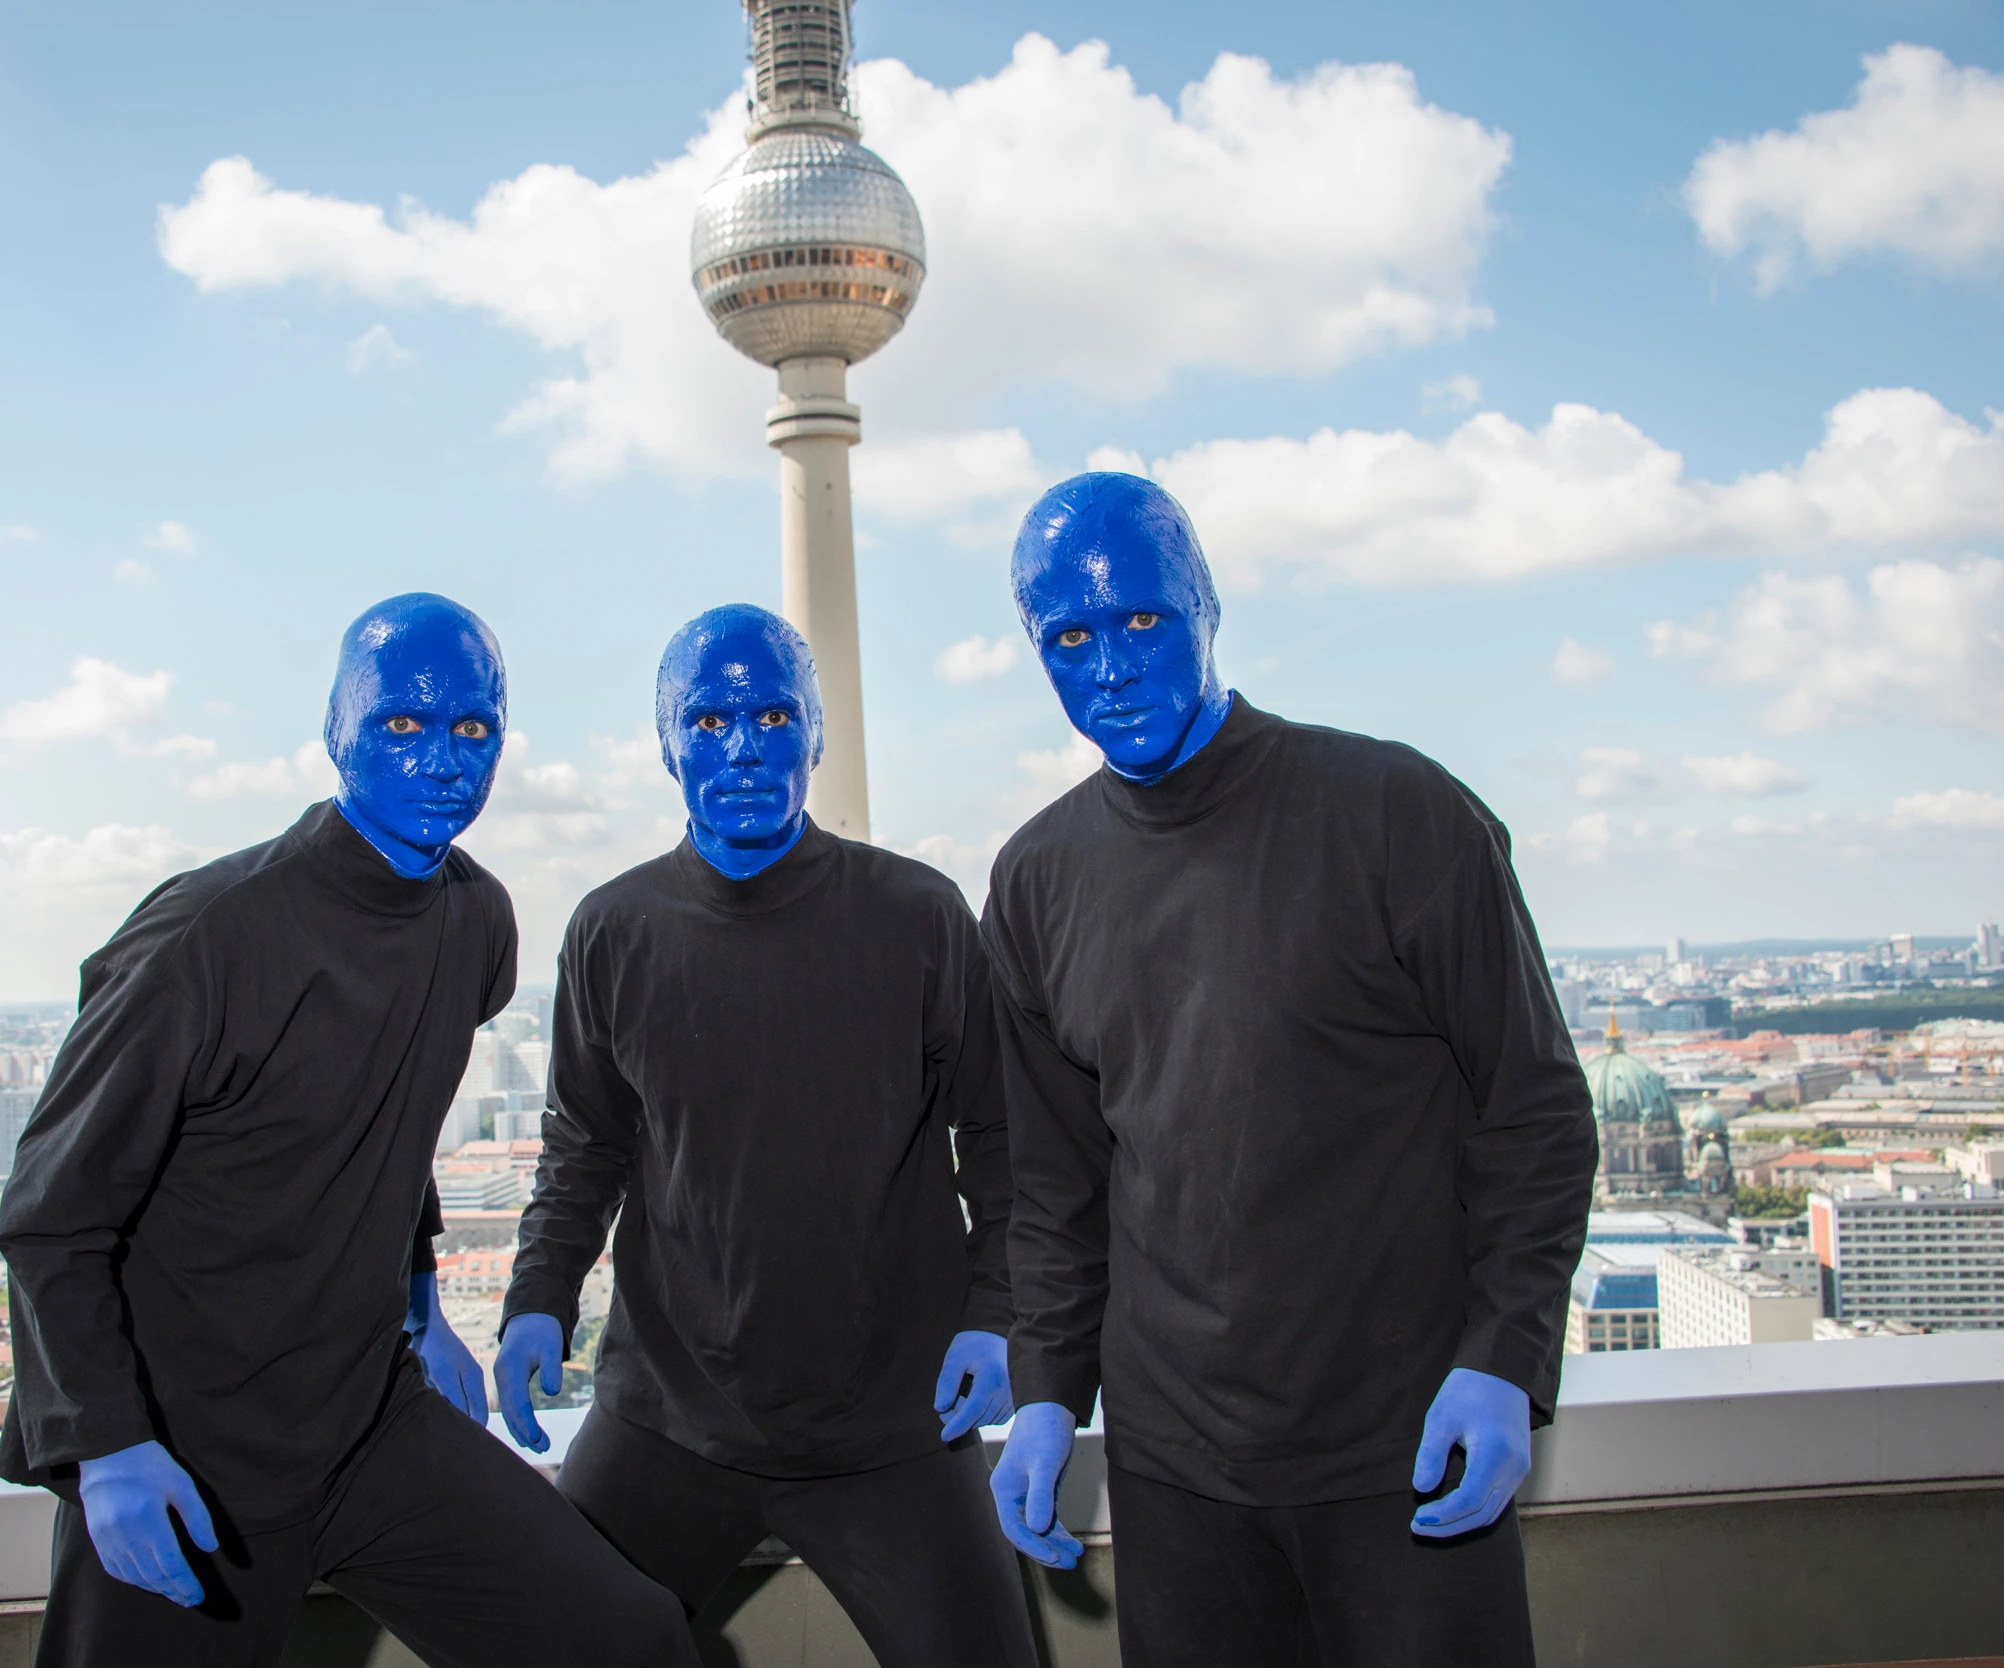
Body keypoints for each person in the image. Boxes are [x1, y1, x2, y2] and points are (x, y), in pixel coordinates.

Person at [0, 593, 696, 1668]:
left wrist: (420, 1303)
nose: (441, 759)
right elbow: (53, 1218)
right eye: (399, 727)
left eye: (471, 730)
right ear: (335, 730)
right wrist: (106, 1446)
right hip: (190, 1455)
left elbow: (383, 1121)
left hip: (368, 1426)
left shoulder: (476, 921)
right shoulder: (204, 937)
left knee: (627, 1639)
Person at [980, 476, 1598, 1667]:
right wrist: (1049, 1388)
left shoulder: (1395, 810)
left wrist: (1505, 1361)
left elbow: (1532, 1111)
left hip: (1404, 1450)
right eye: (1068, 637)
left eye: (1142, 620)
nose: (1108, 664)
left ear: (1207, 604)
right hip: (1174, 1478)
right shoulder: (1035, 878)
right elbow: (1056, 1183)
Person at [492, 605, 1038, 1668]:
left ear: (817, 733)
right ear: (665, 744)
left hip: (893, 1425)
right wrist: (535, 1299)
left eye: (773, 714)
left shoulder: (920, 917)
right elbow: (584, 1145)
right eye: (705, 721)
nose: (740, 747)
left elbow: (1005, 1137)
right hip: (667, 1417)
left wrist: (996, 1309)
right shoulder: (611, 929)